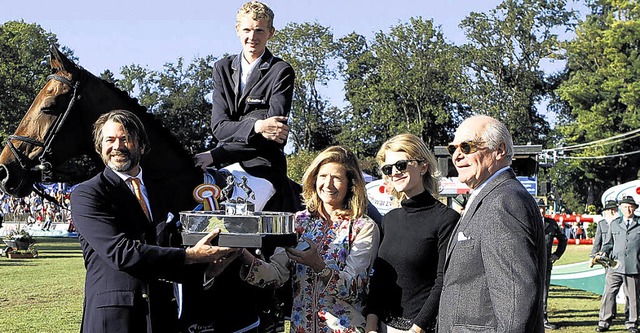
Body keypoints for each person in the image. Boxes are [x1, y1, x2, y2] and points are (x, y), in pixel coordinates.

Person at [70, 110, 237, 333]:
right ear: (100, 148)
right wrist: (190, 257)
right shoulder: (88, 194)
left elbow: (167, 251)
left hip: (161, 317)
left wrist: (206, 271)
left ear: (142, 146)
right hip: (113, 320)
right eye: (109, 140)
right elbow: (121, 253)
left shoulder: (161, 192)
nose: (117, 146)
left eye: (125, 138)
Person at [239, 146, 380, 332]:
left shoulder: (363, 227)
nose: (328, 184)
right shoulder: (299, 221)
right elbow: (276, 275)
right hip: (301, 328)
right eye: (323, 176)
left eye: (336, 178)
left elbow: (353, 289)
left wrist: (318, 265)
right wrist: (241, 253)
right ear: (314, 179)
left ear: (351, 184)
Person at [437, 115, 546, 333]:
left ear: (499, 150)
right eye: (453, 149)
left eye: (467, 147)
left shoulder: (504, 202)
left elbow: (515, 303)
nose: (457, 156)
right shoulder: (488, 196)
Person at [193, 0, 299, 213]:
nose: (253, 37)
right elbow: (219, 126)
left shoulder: (281, 71)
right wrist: (258, 125)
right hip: (222, 162)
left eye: (259, 30)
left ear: (271, 32)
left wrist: (216, 154)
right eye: (247, 30)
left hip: (262, 167)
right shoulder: (221, 68)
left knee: (235, 222)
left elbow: (272, 136)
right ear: (237, 30)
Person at [364, 134, 458, 333]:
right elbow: (379, 278)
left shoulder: (446, 219)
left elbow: (443, 281)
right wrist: (371, 324)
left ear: (423, 166)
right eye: (388, 169)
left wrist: (417, 328)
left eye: (401, 165)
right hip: (381, 326)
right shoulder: (389, 219)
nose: (394, 173)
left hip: (422, 328)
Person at [596, 195, 640, 333]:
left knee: (632, 297)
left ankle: (632, 323)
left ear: (634, 208)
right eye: (625, 206)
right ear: (620, 208)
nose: (628, 209)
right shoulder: (615, 223)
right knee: (608, 294)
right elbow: (608, 244)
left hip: (633, 266)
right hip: (615, 266)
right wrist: (603, 252)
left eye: (630, 206)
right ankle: (604, 322)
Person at [538, 198, 568, 330]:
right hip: (529, 263)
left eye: (543, 208)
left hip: (545, 263)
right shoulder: (527, 221)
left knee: (544, 291)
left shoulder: (551, 224)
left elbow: (563, 239)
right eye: (539, 208)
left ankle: (543, 318)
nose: (541, 210)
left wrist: (557, 254)